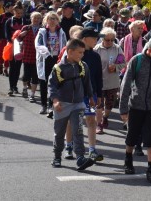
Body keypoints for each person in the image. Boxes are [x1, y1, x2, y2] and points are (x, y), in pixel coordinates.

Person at [118, 35, 151, 184]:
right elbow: (126, 84)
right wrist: (123, 109)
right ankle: (128, 158)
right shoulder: (137, 60)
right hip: (136, 104)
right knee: (132, 135)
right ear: (150, 50)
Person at [48, 38, 95, 172]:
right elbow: (52, 86)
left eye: (83, 52)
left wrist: (91, 96)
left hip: (78, 104)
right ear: (69, 52)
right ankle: (57, 156)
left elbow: (87, 83)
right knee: (59, 133)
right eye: (79, 52)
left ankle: (80, 157)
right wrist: (55, 101)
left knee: (78, 131)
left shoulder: (83, 66)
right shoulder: (58, 68)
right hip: (62, 105)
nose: (82, 55)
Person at [94, 28, 126, 134]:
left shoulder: (117, 49)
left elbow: (123, 63)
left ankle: (105, 117)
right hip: (99, 81)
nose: (110, 42)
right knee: (99, 104)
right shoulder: (96, 49)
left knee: (110, 103)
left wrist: (116, 67)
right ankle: (98, 124)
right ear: (103, 39)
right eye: (108, 40)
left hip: (112, 81)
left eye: (112, 40)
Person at [80, 27, 104, 162]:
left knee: (91, 120)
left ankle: (92, 149)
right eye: (94, 37)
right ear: (84, 39)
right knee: (74, 121)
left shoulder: (95, 56)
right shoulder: (74, 53)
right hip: (75, 94)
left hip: (91, 94)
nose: (96, 40)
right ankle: (70, 146)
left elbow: (98, 77)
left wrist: (99, 95)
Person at [36, 12, 67, 116]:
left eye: (54, 18)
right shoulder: (43, 32)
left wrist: (62, 58)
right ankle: (44, 105)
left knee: (54, 83)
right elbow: (38, 45)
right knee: (44, 82)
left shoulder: (61, 32)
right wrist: (47, 54)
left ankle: (51, 105)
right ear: (46, 20)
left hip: (56, 59)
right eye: (50, 19)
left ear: (58, 20)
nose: (52, 20)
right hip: (46, 59)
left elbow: (65, 46)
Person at [18, 11, 43, 103]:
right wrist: (21, 35)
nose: (36, 19)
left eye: (38, 18)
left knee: (35, 77)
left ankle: (32, 94)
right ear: (31, 18)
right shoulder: (26, 28)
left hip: (38, 56)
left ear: (41, 20)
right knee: (26, 75)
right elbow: (18, 39)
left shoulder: (42, 29)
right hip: (27, 54)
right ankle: (25, 88)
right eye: (34, 18)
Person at [6, 3, 29, 96]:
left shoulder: (25, 21)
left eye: (21, 13)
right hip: (12, 45)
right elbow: (7, 34)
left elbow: (27, 33)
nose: (19, 15)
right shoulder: (9, 21)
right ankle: (11, 87)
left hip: (22, 46)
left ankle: (15, 86)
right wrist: (13, 42)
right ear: (13, 12)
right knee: (12, 67)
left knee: (18, 67)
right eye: (17, 13)